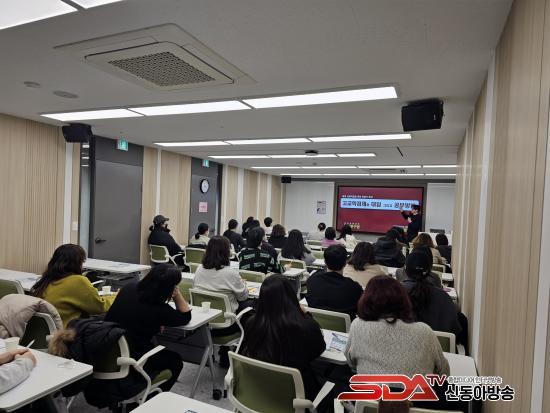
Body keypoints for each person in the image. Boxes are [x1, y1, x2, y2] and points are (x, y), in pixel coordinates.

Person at [105, 264, 191, 392]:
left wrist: (157, 322)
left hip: (106, 353)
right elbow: (185, 316)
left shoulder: (128, 288)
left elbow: (135, 314)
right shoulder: (159, 309)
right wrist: (177, 294)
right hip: (134, 359)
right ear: (168, 288)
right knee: (175, 361)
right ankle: (149, 398)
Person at [240, 275, 326, 401]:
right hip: (296, 395)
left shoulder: (251, 323)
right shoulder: (306, 326)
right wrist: (306, 315)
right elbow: (318, 350)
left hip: (258, 391)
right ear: (291, 297)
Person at [345, 275, 449, 379]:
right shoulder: (424, 331)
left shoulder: (357, 326)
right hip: (416, 389)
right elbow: (443, 371)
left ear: (365, 300)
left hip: (368, 389)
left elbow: (351, 362)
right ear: (403, 300)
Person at [31, 244, 115, 327]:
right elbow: (99, 308)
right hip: (66, 332)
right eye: (82, 262)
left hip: (44, 332)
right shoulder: (78, 281)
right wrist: (116, 296)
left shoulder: (46, 280)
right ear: (77, 263)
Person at [401, 251, 461, 336]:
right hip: (436, 344)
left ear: (405, 269)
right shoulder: (444, 298)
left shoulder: (393, 293)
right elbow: (454, 331)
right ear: (430, 271)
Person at [194, 236, 249, 313]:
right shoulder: (231, 273)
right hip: (226, 316)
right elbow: (243, 297)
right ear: (226, 252)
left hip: (204, 313)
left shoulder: (199, 268)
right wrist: (243, 284)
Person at [306, 245, 363, 318]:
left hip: (316, 323)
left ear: (325, 262)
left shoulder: (312, 281)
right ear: (345, 263)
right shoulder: (354, 287)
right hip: (346, 325)